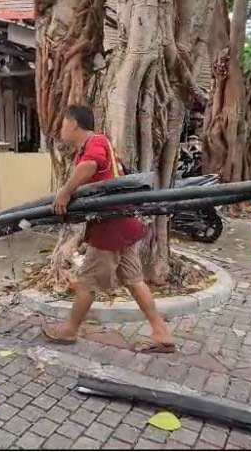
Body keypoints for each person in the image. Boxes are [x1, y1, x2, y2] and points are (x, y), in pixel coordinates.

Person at [42, 105, 175, 353]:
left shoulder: (96, 141)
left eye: (62, 124)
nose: (60, 130)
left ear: (73, 123)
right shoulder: (93, 145)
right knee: (134, 280)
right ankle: (161, 332)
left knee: (87, 283)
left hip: (111, 227)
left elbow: (91, 165)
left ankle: (70, 330)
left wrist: (65, 191)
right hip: (122, 223)